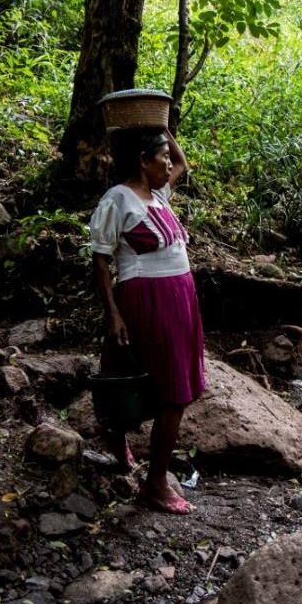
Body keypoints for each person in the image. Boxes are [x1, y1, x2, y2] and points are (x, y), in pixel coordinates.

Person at [89, 126, 205, 515]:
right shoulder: (117, 200)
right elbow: (101, 261)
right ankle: (155, 483)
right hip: (146, 298)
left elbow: (184, 162)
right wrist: (114, 315)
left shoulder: (159, 195)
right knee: (167, 389)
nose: (169, 164)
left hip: (179, 297)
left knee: (167, 380)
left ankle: (131, 457)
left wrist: (163, 125)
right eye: (161, 157)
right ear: (142, 161)